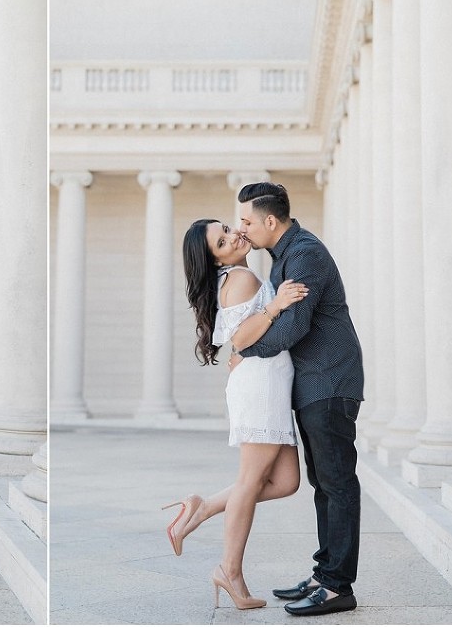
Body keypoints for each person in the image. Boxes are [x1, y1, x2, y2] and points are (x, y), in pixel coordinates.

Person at [235, 182, 364, 617]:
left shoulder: (305, 254)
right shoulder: (285, 257)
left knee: (337, 482)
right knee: (323, 483)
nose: (242, 229)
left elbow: (293, 329)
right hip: (314, 384)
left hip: (330, 381)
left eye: (247, 221)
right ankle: (325, 573)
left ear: (270, 221)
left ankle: (337, 588)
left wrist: (243, 349)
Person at [166, 218, 307, 610]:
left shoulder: (238, 276)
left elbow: (241, 339)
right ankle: (229, 571)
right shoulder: (241, 276)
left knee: (287, 481)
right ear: (215, 260)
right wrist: (277, 304)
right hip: (261, 386)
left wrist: (245, 345)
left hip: (269, 382)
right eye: (222, 240)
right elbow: (242, 337)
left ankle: (201, 508)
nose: (234, 236)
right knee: (249, 482)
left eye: (227, 228)